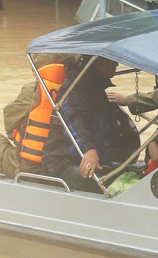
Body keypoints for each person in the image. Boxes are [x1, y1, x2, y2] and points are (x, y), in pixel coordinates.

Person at [42, 56, 138, 193]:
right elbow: (74, 118)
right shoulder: (75, 88)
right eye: (111, 60)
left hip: (89, 159)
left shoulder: (96, 87)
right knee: (104, 183)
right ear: (98, 62)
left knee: (132, 174)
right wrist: (89, 150)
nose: (116, 63)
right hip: (62, 163)